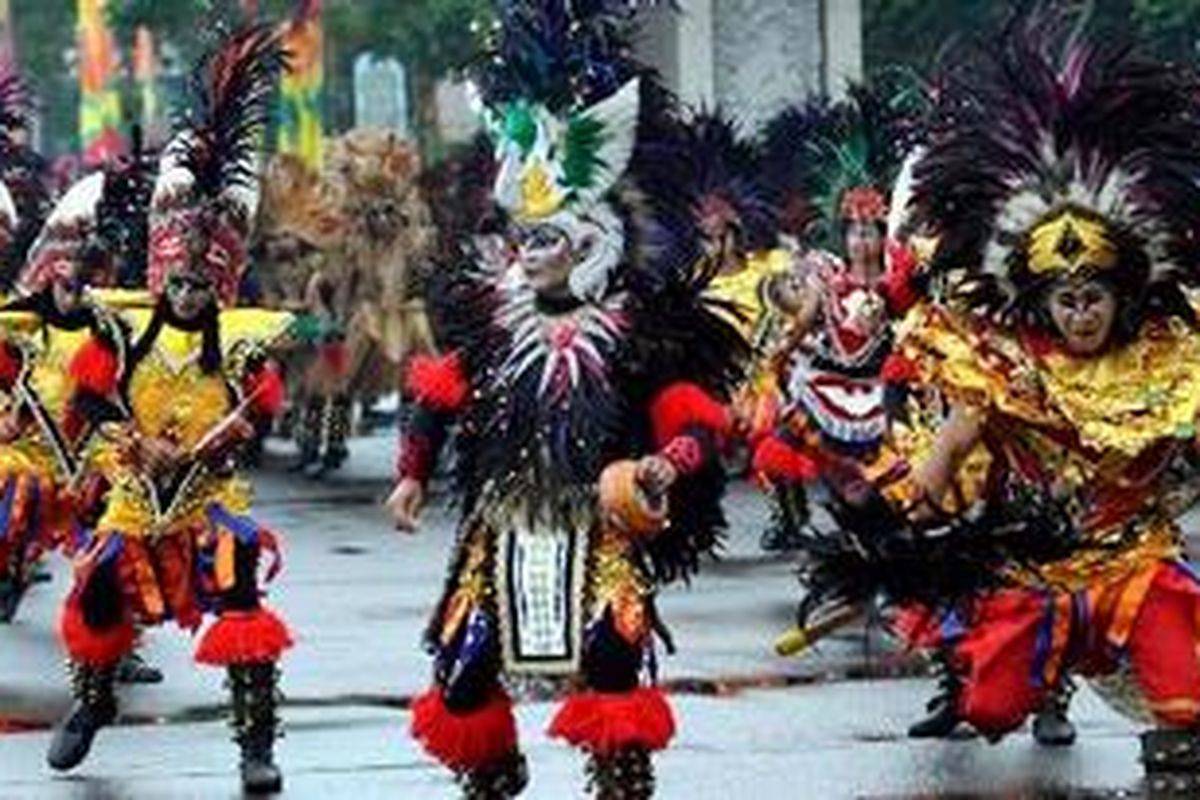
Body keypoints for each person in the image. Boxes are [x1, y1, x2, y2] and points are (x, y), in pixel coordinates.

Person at [385, 3, 746, 797]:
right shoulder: (492, 322)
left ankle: (620, 784)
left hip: (602, 529)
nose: (528, 253)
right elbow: (441, 394)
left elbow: (691, 420)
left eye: (545, 238)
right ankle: (494, 772)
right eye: (524, 239)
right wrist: (413, 471)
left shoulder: (636, 330)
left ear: (589, 242)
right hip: (503, 529)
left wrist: (664, 463)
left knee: (614, 671)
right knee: (463, 674)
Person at [866, 14, 1200, 793]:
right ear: (1041, 304)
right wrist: (904, 526)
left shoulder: (1170, 362)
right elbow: (946, 452)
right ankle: (1031, 681)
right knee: (991, 706)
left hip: (1137, 562)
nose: (1082, 314)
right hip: (1037, 568)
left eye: (1095, 298)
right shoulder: (1001, 366)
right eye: (1067, 299)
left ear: (1122, 299)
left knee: (1189, 696)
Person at [44, 25, 294, 794]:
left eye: (200, 286)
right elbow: (88, 402)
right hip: (130, 499)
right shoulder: (120, 333)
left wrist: (216, 450)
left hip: (204, 501)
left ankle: (256, 744)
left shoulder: (244, 346)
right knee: (93, 587)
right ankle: (90, 704)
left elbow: (259, 418)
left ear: (218, 286)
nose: (188, 294)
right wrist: (132, 442)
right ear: (162, 281)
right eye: (178, 284)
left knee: (245, 589)